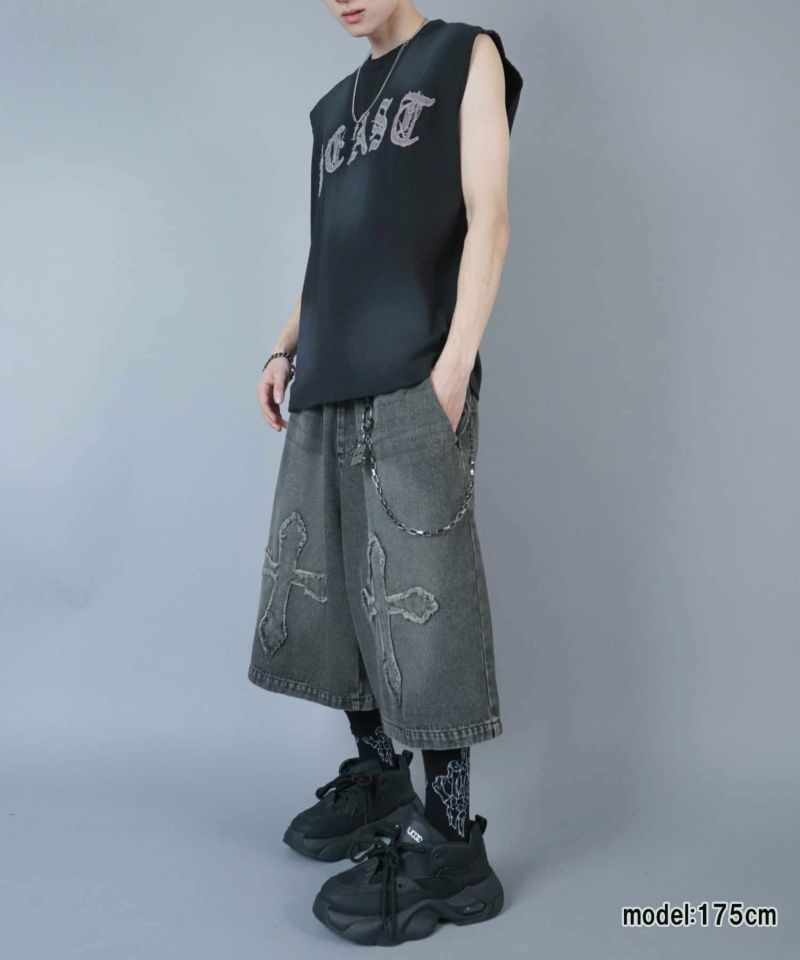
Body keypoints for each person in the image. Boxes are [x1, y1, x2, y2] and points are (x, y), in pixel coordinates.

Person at [247, 0, 522, 946]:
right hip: (327, 381)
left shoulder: (462, 53)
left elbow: (489, 219)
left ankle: (450, 844)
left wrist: (452, 370)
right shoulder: (332, 109)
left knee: (424, 605)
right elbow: (331, 252)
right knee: (334, 597)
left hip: (412, 379)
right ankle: (380, 781)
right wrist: (285, 346)